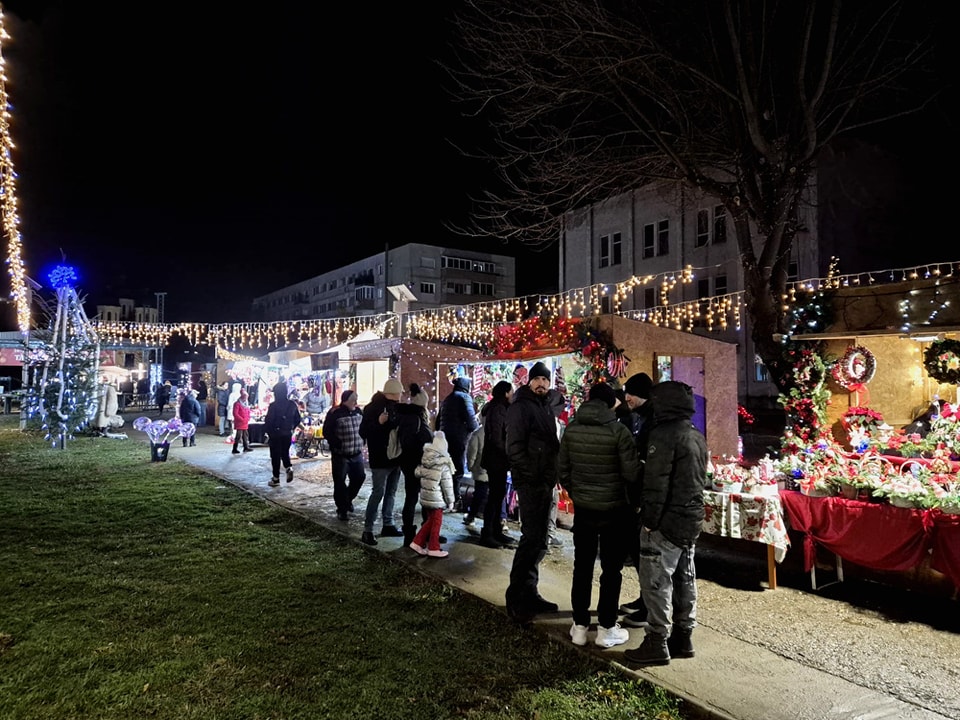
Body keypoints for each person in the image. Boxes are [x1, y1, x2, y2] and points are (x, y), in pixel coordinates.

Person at [623, 381, 709, 668]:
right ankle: (684, 637)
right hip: (689, 519)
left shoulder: (664, 434)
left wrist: (649, 521)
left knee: (656, 581)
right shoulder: (695, 434)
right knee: (685, 578)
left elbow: (656, 483)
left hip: (666, 522)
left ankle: (657, 640)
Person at [558, 382, 638, 649]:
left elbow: (563, 469)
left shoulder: (572, 429)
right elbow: (630, 474)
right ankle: (606, 627)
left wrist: (578, 492)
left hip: (584, 511)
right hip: (615, 512)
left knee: (582, 567)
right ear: (609, 403)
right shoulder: (620, 432)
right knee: (611, 570)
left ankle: (579, 626)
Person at [504, 361, 562, 623]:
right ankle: (516, 597)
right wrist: (528, 476)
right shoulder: (521, 406)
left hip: (544, 481)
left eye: (545, 380)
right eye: (537, 379)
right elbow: (514, 446)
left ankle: (530, 591)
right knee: (530, 540)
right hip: (531, 482)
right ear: (529, 382)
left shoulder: (546, 407)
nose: (541, 384)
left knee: (539, 541)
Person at [619, 371, 654, 627]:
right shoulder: (641, 417)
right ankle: (645, 600)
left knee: (647, 555)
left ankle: (650, 606)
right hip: (639, 494)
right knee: (640, 551)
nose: (626, 397)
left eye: (629, 393)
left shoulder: (652, 421)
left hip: (645, 496)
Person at [358, 377, 404, 545]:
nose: (400, 396)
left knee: (391, 492)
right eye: (399, 393)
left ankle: (388, 523)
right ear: (393, 393)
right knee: (378, 492)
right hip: (380, 457)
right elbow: (363, 431)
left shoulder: (398, 408)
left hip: (395, 456)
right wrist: (379, 422)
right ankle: (367, 530)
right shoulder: (372, 408)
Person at [478, 380, 516, 549]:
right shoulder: (498, 409)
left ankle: (495, 531)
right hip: (496, 459)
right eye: (512, 391)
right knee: (495, 496)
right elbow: (497, 436)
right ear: (506, 393)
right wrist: (506, 453)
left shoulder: (497, 407)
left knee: (498, 495)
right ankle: (488, 533)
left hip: (497, 459)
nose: (513, 394)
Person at [395, 383, 435, 546]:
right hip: (416, 464)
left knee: (415, 498)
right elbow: (409, 442)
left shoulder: (411, 416)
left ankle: (419, 533)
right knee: (417, 498)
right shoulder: (414, 418)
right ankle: (413, 535)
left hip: (412, 463)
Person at [409, 430, 457, 558]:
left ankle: (419, 543)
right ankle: (432, 547)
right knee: (436, 523)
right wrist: (451, 501)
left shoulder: (426, 460)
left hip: (426, 497)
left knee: (430, 521)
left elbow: (417, 472)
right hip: (437, 499)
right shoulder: (443, 464)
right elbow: (447, 486)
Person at [322, 389, 366, 521]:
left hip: (356, 453)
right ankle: (342, 509)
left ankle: (347, 500)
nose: (356, 402)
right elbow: (327, 431)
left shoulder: (358, 411)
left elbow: (363, 428)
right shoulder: (335, 413)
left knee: (359, 477)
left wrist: (363, 441)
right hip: (341, 454)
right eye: (353, 399)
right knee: (340, 482)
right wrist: (336, 444)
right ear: (346, 400)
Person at [438, 376, 479, 510]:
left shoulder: (448, 398)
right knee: (458, 470)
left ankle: (446, 497)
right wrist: (476, 430)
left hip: (445, 439)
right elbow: (471, 420)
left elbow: (439, 420)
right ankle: (455, 500)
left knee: (448, 469)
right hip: (458, 438)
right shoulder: (464, 397)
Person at [263, 381, 301, 487]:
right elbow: (298, 419)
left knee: (275, 456)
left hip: (275, 434)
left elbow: (269, 420)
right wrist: (291, 428)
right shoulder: (292, 404)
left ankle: (276, 479)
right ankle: (289, 468)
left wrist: (268, 432)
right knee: (285, 452)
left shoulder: (273, 406)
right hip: (287, 433)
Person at [463, 405, 487, 533]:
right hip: (495, 471)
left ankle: (471, 516)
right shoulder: (501, 430)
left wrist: (471, 467)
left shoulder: (478, 433)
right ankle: (500, 520)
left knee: (478, 495)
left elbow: (471, 453)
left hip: (481, 471)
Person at [231, 388, 253, 454]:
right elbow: (235, 413)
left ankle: (246, 447)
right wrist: (241, 419)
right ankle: (235, 448)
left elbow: (248, 411)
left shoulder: (246, 403)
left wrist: (248, 417)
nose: (246, 398)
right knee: (238, 436)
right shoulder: (237, 403)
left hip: (245, 422)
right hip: (240, 422)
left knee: (245, 435)